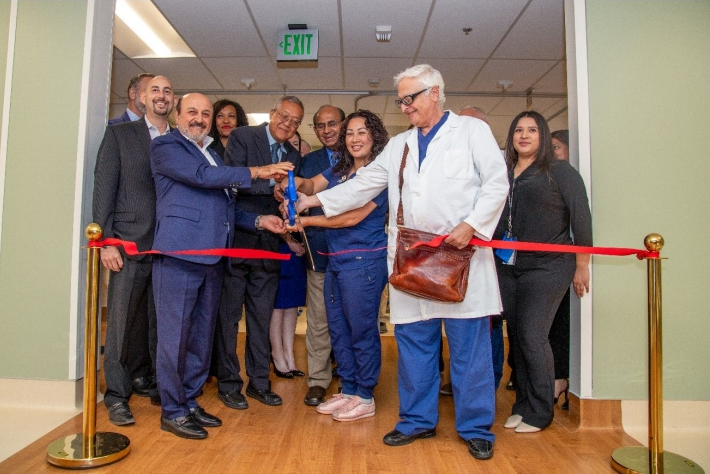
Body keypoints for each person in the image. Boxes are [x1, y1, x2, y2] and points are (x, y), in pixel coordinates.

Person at [295, 65, 508, 460]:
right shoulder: (400, 145)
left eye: (411, 98)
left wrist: (473, 224)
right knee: (414, 346)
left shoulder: (470, 132)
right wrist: (314, 200)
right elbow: (362, 185)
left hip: (460, 257)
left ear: (436, 93)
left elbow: (497, 182)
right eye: (401, 100)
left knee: (468, 350)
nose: (406, 106)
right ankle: (415, 421)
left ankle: (476, 427)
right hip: (411, 259)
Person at [151, 92, 292, 439]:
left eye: (205, 114)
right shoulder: (166, 147)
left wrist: (261, 221)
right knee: (175, 338)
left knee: (201, 339)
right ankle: (172, 410)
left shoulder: (213, 154)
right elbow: (201, 177)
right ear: (178, 115)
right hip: (180, 257)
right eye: (192, 112)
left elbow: (226, 209)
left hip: (214, 259)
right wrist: (257, 171)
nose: (199, 119)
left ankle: (189, 400)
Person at [284, 110, 389, 421]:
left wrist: (303, 219)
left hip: (364, 263)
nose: (354, 139)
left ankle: (366, 396)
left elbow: (350, 216)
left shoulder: (377, 174)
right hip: (336, 262)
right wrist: (288, 184)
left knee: (361, 330)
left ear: (374, 137)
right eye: (350, 133)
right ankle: (350, 388)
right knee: (339, 331)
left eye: (362, 132)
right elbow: (311, 184)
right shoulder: (340, 168)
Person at [495, 113, 591, 434]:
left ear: (543, 135)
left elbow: (582, 219)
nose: (524, 135)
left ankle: (540, 410)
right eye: (518, 129)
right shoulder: (504, 172)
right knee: (518, 337)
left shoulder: (560, 171)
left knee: (534, 335)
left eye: (532, 130)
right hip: (508, 265)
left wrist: (582, 265)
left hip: (549, 265)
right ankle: (523, 404)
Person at [213, 96, 303, 410]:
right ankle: (228, 383)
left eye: (295, 121)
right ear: (271, 113)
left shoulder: (293, 154)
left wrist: (285, 202)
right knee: (228, 319)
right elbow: (233, 182)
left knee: (261, 319)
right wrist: (270, 185)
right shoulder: (243, 137)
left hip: (269, 248)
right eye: (284, 116)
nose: (288, 124)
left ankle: (259, 383)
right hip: (238, 240)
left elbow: (286, 195)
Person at [93, 75, 174, 425]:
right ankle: (115, 395)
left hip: (167, 249)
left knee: (157, 323)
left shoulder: (178, 140)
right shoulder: (119, 135)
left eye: (167, 91)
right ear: (140, 97)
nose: (161, 96)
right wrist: (106, 242)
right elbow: (103, 191)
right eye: (154, 90)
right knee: (121, 324)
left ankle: (150, 379)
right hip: (126, 245)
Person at [439, 105, 505, 397]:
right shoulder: (444, 161)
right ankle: (456, 385)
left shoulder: (493, 166)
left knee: (482, 334)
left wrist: (472, 226)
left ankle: (486, 390)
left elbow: (495, 197)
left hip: (484, 257)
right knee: (455, 336)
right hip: (446, 260)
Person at [296, 105, 345, 406]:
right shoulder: (308, 162)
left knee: (354, 320)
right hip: (319, 252)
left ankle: (353, 379)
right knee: (318, 321)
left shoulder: (362, 161)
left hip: (355, 253)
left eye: (332, 124)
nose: (326, 130)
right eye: (320, 125)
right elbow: (299, 197)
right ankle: (317, 380)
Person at [549, 128, 571, 408]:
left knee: (561, 325)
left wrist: (580, 266)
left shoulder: (568, 178)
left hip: (561, 264)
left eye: (557, 147)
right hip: (539, 264)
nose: (552, 153)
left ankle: (561, 379)